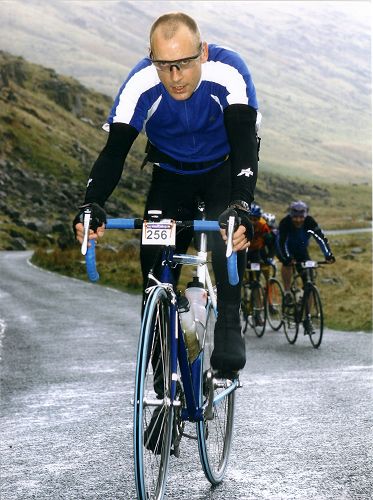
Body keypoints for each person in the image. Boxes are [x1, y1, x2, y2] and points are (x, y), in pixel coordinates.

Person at [73, 12, 260, 378]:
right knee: (155, 265)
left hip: (223, 166)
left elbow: (244, 144)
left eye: (184, 64)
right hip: (170, 174)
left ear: (202, 52)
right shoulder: (141, 82)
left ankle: (228, 325)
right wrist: (91, 205)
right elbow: (114, 153)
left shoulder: (229, 71)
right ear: (151, 58)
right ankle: (162, 377)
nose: (175, 77)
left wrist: (240, 206)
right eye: (164, 65)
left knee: (228, 235)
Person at [276, 200, 335, 304]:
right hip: (285, 249)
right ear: (291, 215)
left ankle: (307, 315)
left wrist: (328, 255)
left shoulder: (309, 222)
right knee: (287, 264)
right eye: (295, 217)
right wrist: (288, 257)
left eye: (301, 217)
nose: (298, 220)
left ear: (305, 215)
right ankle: (287, 291)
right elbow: (282, 242)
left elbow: (320, 239)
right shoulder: (285, 223)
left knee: (310, 281)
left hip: (301, 251)